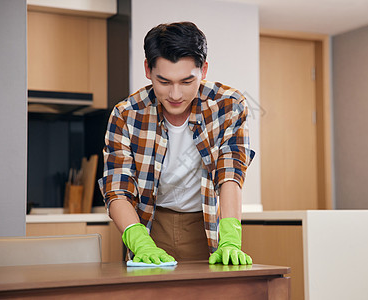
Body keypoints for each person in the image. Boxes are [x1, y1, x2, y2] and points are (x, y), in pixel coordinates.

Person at [99, 22, 254, 265]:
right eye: (164, 81)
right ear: (148, 70)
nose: (175, 95)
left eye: (186, 81)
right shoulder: (126, 114)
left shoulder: (229, 106)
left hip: (206, 226)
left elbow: (230, 172)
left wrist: (231, 238)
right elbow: (117, 188)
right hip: (149, 223)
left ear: (203, 70)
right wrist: (139, 240)